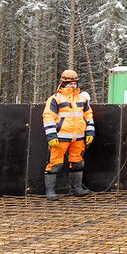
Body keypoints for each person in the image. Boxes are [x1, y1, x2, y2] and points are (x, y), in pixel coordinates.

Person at [42, 69, 95, 200]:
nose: (73, 86)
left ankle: (76, 189)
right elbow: (48, 117)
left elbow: (88, 116)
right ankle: (50, 192)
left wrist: (90, 132)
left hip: (78, 138)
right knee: (55, 164)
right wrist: (51, 136)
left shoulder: (82, 99)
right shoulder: (55, 99)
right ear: (63, 83)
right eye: (70, 83)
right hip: (60, 138)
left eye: (75, 83)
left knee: (77, 162)